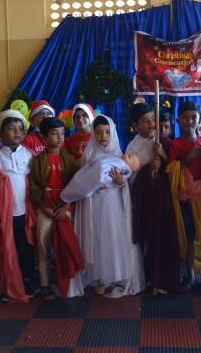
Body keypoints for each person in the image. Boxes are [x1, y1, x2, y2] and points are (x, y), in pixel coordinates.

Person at [61, 115, 144, 298]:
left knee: (112, 239)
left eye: (107, 132)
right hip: (94, 204)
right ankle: (99, 278)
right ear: (93, 134)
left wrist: (121, 182)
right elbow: (83, 182)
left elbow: (124, 184)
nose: (103, 136)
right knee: (96, 239)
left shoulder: (119, 156)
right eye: (98, 132)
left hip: (112, 204)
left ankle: (112, 277)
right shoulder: (89, 155)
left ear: (112, 133)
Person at [126, 103, 180, 293]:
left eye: (152, 120)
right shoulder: (132, 146)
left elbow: (174, 167)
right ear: (135, 125)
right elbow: (131, 175)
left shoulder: (163, 141)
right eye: (145, 121)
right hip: (145, 199)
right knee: (149, 237)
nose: (151, 125)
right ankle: (149, 277)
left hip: (164, 198)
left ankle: (166, 279)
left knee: (165, 237)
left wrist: (163, 156)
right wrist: (148, 168)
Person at [167, 101, 201, 294]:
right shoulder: (175, 144)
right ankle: (189, 275)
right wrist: (187, 158)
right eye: (185, 118)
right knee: (188, 236)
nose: (189, 121)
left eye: (193, 117)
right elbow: (170, 170)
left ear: (199, 120)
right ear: (178, 121)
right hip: (185, 199)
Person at [30, 117, 80, 300]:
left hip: (64, 208)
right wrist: (46, 208)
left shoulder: (69, 159)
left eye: (62, 134)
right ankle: (45, 284)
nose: (60, 138)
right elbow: (35, 187)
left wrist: (65, 207)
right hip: (45, 208)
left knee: (65, 245)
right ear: (44, 137)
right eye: (54, 134)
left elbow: (75, 186)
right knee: (43, 245)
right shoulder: (37, 161)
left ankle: (66, 282)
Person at [0, 110, 34, 302]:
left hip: (26, 211)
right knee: (9, 247)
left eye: (20, 129)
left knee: (26, 245)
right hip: (6, 214)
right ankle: (10, 282)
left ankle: (28, 280)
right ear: (1, 132)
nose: (17, 132)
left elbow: (34, 180)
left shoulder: (29, 155)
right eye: (11, 129)